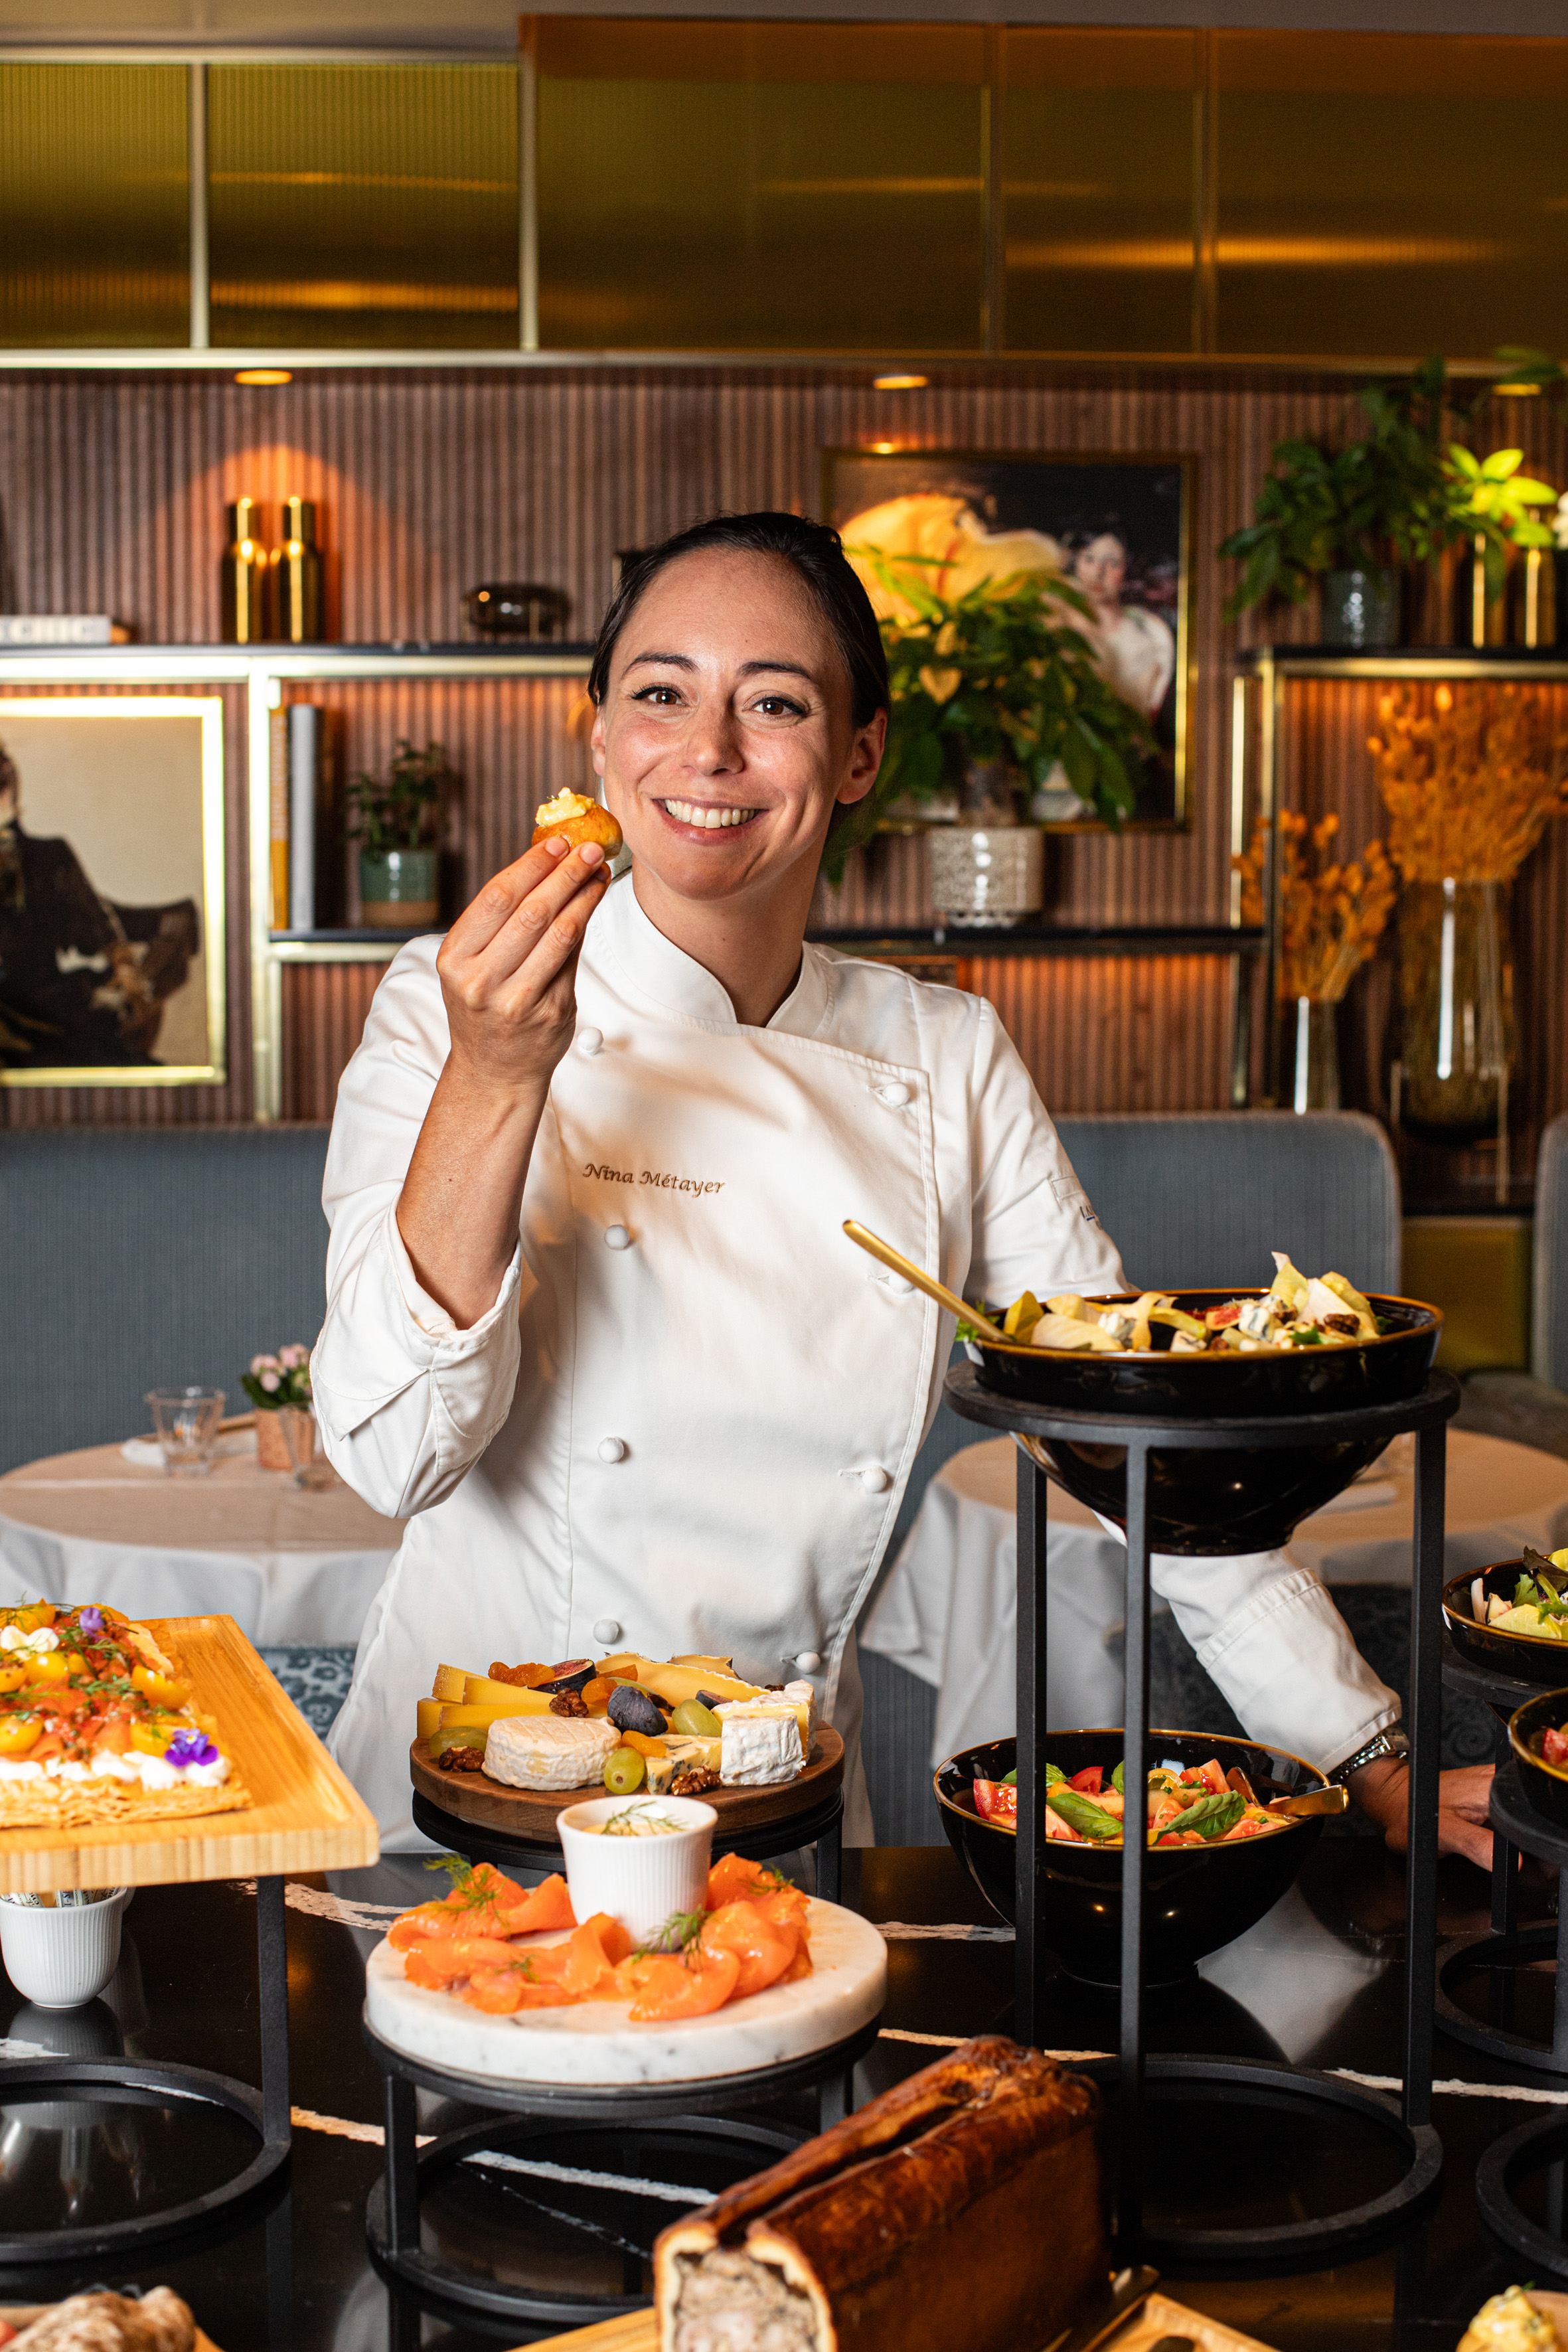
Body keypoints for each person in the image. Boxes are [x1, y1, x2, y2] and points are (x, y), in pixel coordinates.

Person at [312, 510, 1490, 1867]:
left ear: (859, 753)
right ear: (597, 740)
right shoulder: (448, 1003)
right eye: (658, 693)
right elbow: (394, 1453)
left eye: (773, 702)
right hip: (476, 1816)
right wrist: (500, 1073)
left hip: (777, 1826)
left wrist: (1370, 1755)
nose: (707, 751)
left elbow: (1135, 1431)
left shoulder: (939, 1051)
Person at [0, 742, 198, 1067]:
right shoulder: (48, 855)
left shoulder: (46, 856)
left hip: (41, 1008)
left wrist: (123, 967)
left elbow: (97, 928)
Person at [1068, 528, 1175, 721]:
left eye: (1112, 563)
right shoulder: (1061, 627)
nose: (1098, 573)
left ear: (1127, 570)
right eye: (1089, 559)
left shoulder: (1150, 635)